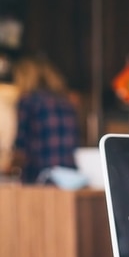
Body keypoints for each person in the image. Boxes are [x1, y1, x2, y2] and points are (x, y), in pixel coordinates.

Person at [11, 55, 80, 183]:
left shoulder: (28, 101)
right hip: (69, 176)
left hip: (40, 174)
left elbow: (21, 143)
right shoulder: (66, 102)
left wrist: (11, 164)